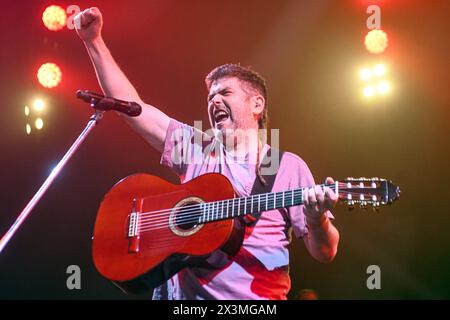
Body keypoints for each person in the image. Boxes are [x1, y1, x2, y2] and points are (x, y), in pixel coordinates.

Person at [75, 7, 340, 300]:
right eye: (210, 96)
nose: (214, 100)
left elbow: (325, 252)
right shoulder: (197, 147)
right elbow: (131, 107)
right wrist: (94, 41)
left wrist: (317, 221)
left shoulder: (286, 167)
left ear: (257, 105)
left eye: (225, 93)